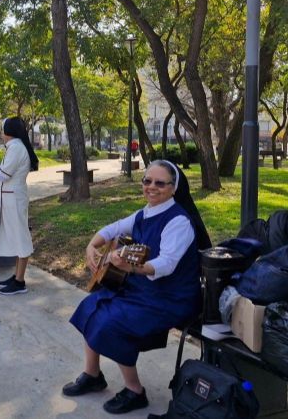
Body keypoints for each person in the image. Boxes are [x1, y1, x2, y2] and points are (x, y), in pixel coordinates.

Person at [62, 160, 211, 414]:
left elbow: (166, 264)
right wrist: (91, 246)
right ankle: (93, 374)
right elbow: (113, 229)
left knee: (113, 323)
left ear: (173, 188)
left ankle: (135, 391)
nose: (151, 187)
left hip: (172, 297)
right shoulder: (144, 213)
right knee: (91, 306)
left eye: (160, 183)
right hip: (144, 289)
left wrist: (131, 268)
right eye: (147, 181)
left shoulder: (179, 221)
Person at [0, 117, 39, 295]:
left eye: (2, 129)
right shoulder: (15, 147)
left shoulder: (16, 148)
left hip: (14, 200)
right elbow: (6, 172)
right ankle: (17, 276)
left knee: (21, 238)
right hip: (11, 199)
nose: (1, 133)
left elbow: (3, 175)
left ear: (8, 131)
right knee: (17, 237)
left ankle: (20, 281)